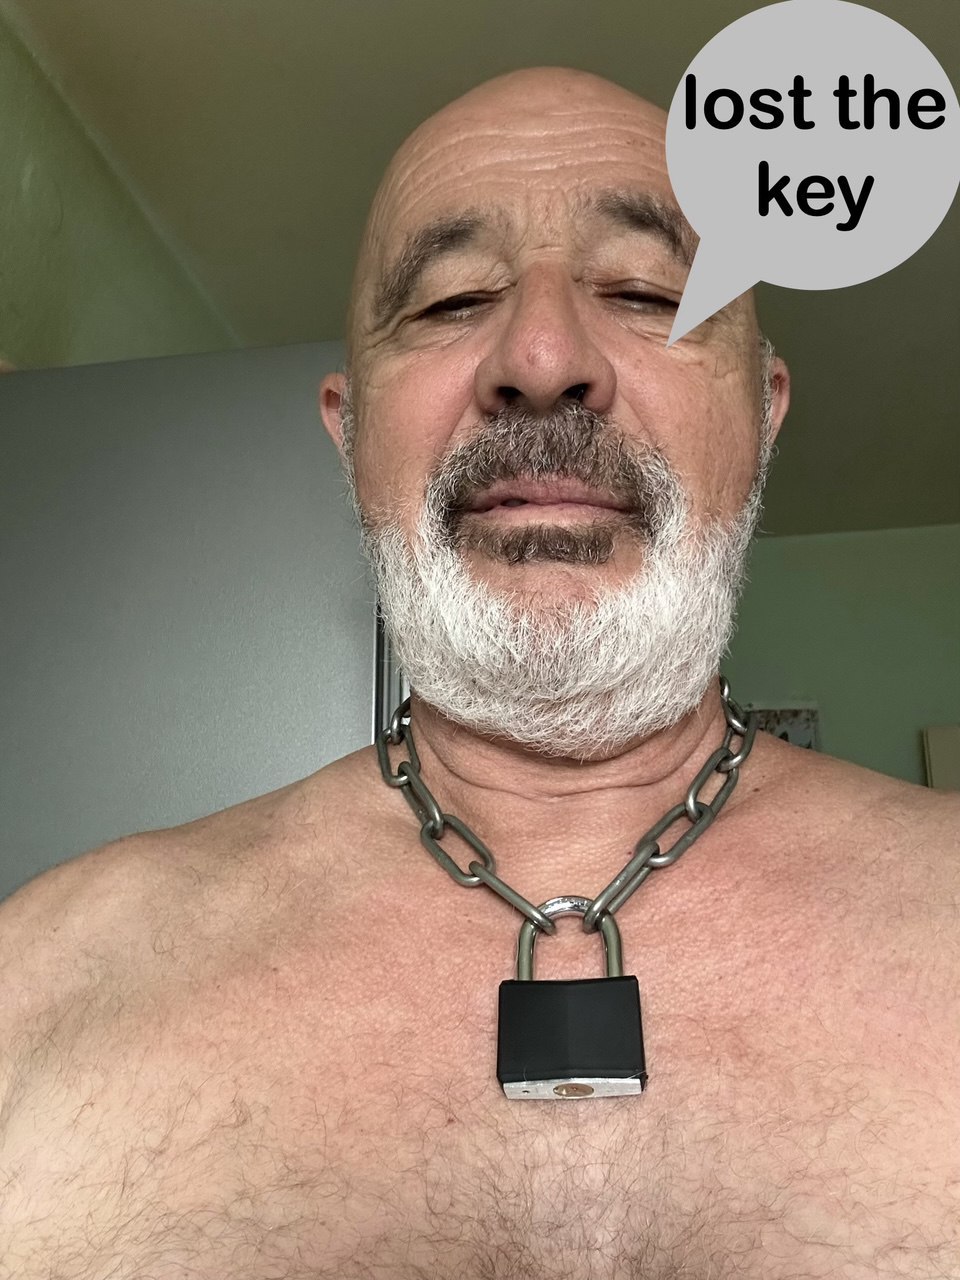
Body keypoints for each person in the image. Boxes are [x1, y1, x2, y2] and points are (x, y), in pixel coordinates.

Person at [1, 66, 957, 1279]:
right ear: (351, 434)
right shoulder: (44, 979)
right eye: (452, 300)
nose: (544, 356)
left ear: (762, 416)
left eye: (646, 291)